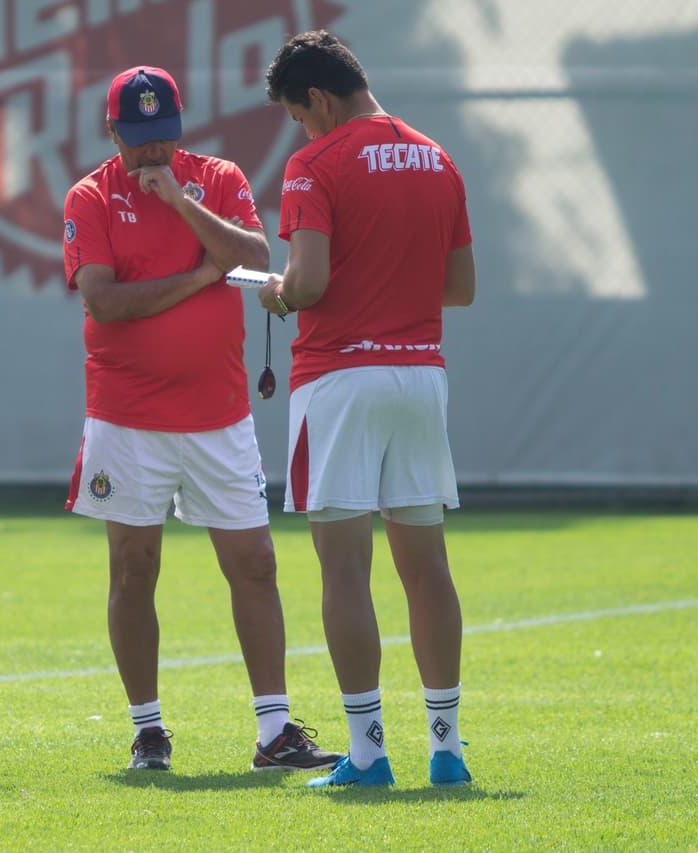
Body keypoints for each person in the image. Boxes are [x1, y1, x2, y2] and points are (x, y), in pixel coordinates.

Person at [61, 65, 341, 773]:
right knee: (134, 568)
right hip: (127, 415)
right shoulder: (91, 195)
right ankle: (148, 730)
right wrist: (196, 277)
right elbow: (104, 302)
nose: (153, 151)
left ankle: (275, 732)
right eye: (139, 138)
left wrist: (184, 208)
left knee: (255, 563)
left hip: (219, 413)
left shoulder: (216, 178)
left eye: (164, 135)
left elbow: (253, 256)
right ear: (113, 131)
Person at [256, 31, 478, 788]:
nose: (301, 132)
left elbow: (308, 283)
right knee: (428, 568)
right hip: (420, 376)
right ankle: (446, 748)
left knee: (344, 569)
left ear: (318, 99)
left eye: (298, 116)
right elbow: (460, 287)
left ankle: (367, 752)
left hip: (341, 378)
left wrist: (279, 291)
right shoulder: (437, 157)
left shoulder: (315, 164)